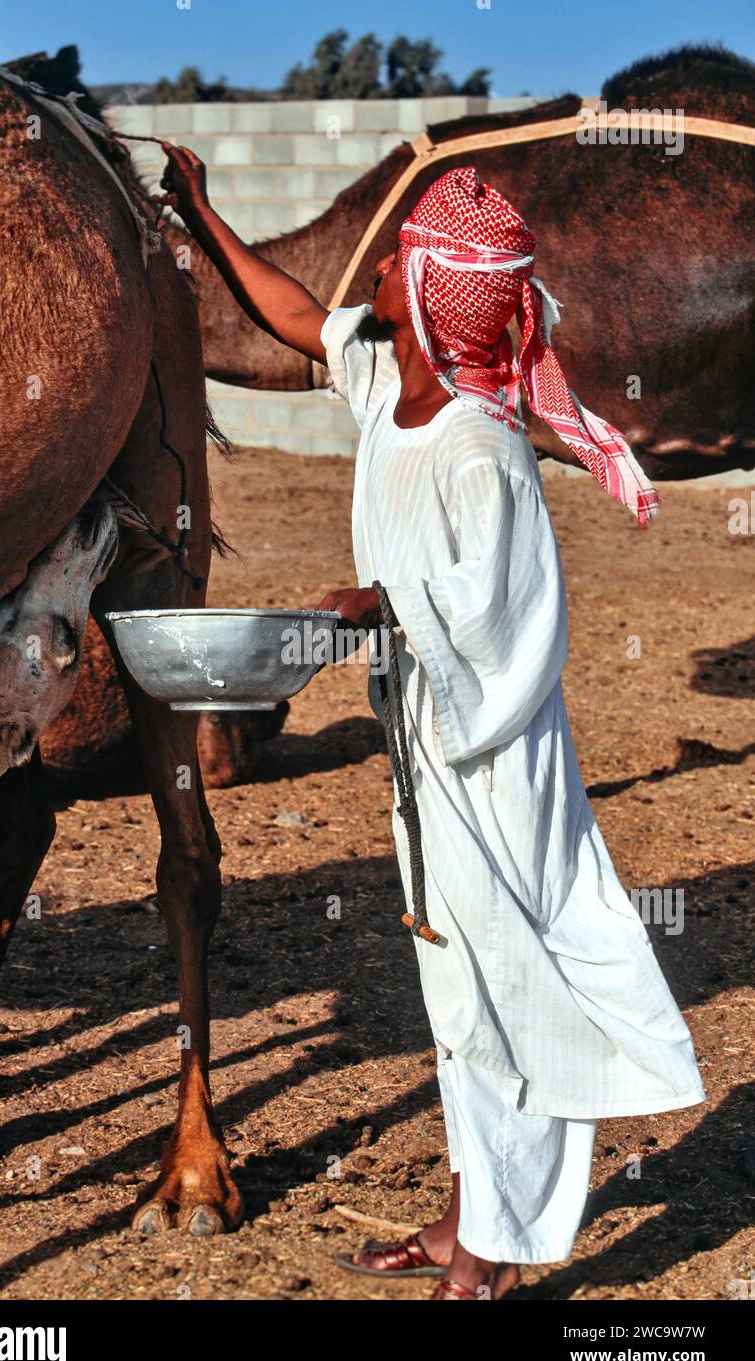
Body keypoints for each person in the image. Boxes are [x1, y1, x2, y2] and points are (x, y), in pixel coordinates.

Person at [160, 146, 705, 1300]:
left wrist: (373, 603)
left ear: (424, 287)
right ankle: (469, 1217)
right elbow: (297, 314)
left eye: (400, 259)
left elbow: (506, 630)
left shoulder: (482, 451)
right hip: (425, 744)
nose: (378, 277)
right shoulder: (388, 378)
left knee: (516, 989)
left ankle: (499, 1254)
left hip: (490, 757)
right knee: (458, 995)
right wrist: (205, 213)